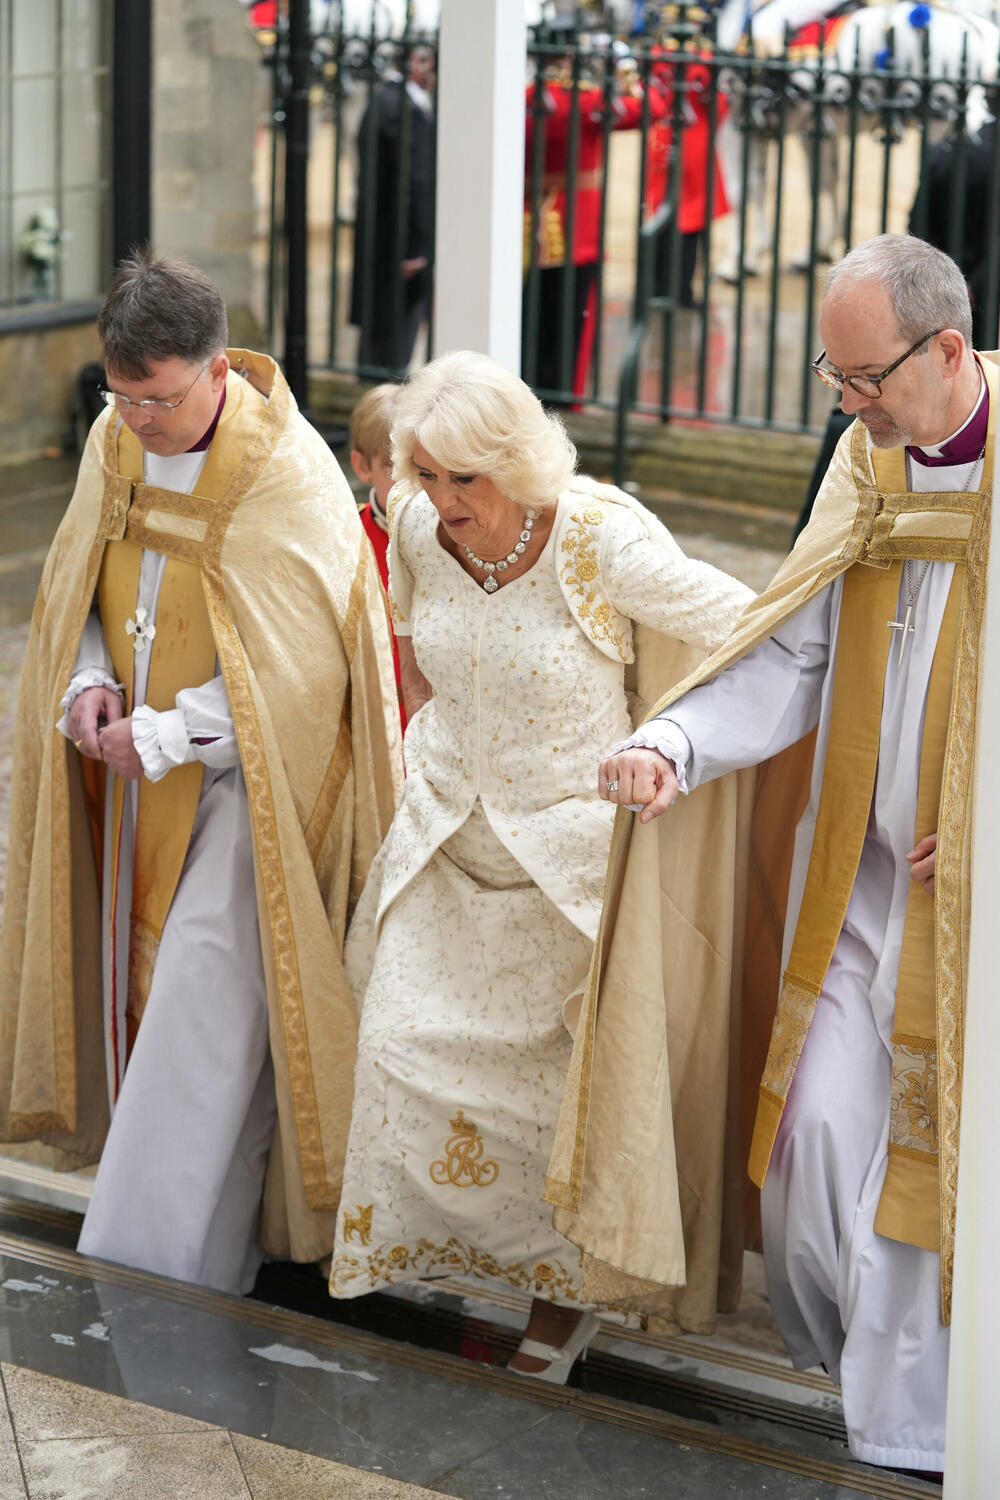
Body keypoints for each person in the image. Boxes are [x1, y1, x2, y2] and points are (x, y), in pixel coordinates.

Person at [598, 233, 992, 1473]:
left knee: (928, 1192)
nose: (847, 402)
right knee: (815, 1151)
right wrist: (675, 740)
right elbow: (793, 651)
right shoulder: (865, 468)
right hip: (868, 886)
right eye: (834, 379)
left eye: (862, 377)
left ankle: (917, 1439)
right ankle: (869, 1395)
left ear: (945, 349)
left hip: (975, 917)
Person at [327, 349, 753, 1379]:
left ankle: (559, 1306)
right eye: (419, 476)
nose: (435, 501)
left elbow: (753, 629)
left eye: (460, 479)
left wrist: (667, 744)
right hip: (439, 839)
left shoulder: (600, 541)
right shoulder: (418, 529)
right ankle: (428, 1252)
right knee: (396, 1048)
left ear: (516, 463)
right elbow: (417, 658)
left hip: (567, 870)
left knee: (551, 1106)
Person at [0, 251, 402, 1295]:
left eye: (158, 399)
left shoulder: (289, 475)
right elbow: (79, 584)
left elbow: (306, 674)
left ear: (217, 368)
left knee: (200, 1023)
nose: (135, 419)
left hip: (240, 794)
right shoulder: (113, 440)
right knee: (142, 1008)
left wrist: (173, 735)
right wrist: (87, 677)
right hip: (126, 781)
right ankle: (201, 1259)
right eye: (119, 395)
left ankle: (150, 1271)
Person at [350, 44, 436, 376]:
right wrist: (416, 247)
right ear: (417, 62)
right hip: (399, 244)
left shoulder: (386, 102)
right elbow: (414, 183)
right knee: (391, 340)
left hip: (382, 238)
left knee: (380, 334)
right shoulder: (401, 109)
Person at [349, 382, 406, 730]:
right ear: (362, 466)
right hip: (372, 722)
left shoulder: (457, 536)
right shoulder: (346, 538)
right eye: (393, 467)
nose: (411, 482)